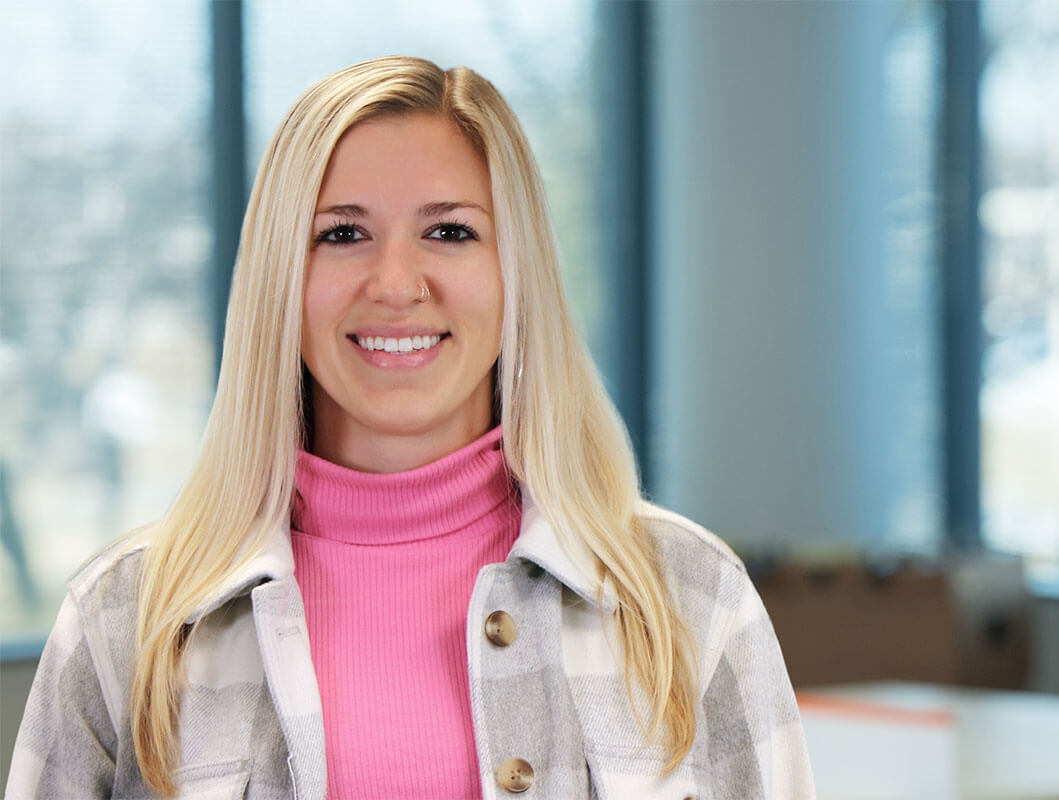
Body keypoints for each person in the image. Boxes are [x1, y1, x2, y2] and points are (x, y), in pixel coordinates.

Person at [6, 56, 814, 800]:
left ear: (516, 273)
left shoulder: (689, 597)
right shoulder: (125, 618)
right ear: (280, 280)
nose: (395, 283)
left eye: (450, 231)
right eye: (342, 234)